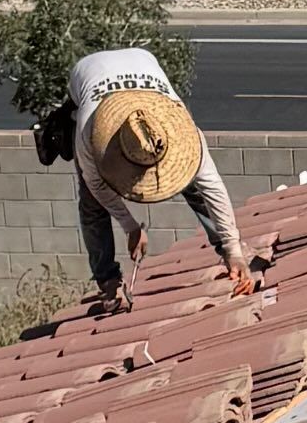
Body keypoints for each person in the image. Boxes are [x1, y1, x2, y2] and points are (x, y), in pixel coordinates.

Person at [68, 47, 253, 308]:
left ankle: (225, 252)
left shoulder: (185, 133)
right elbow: (96, 185)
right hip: (89, 71)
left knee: (193, 185)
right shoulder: (90, 132)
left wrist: (234, 250)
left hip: (142, 62)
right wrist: (130, 226)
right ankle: (108, 282)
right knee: (91, 203)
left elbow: (213, 189)